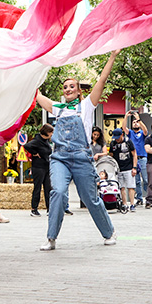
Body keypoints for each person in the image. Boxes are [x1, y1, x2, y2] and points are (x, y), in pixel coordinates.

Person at [34, 50, 120, 251]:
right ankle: (51, 237)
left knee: (91, 199)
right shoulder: (58, 108)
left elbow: (102, 80)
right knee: (58, 192)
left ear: (79, 90)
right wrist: (30, 64)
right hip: (60, 158)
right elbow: (36, 94)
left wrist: (113, 56)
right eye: (65, 87)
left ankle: (108, 232)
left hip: (82, 158)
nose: (68, 89)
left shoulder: (87, 106)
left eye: (72, 86)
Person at [23, 124, 54, 217]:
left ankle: (49, 208)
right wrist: (35, 153)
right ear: (47, 132)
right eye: (51, 132)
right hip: (38, 167)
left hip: (46, 166)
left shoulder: (46, 141)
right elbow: (27, 146)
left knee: (48, 188)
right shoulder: (37, 140)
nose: (52, 134)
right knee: (37, 188)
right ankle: (34, 209)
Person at [109, 127, 138, 211]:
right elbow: (111, 155)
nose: (117, 139)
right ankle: (124, 204)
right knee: (121, 187)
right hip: (118, 168)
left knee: (130, 186)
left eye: (118, 137)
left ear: (122, 135)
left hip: (128, 167)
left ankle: (132, 204)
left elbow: (134, 154)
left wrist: (134, 167)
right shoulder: (113, 144)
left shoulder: (128, 142)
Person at [124, 111, 148, 206]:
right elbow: (124, 128)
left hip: (143, 158)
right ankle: (139, 198)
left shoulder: (142, 133)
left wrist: (138, 119)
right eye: (133, 122)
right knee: (136, 181)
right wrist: (126, 116)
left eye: (136, 122)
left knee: (146, 179)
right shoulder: (130, 133)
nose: (135, 123)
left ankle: (150, 197)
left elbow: (145, 130)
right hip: (134, 159)